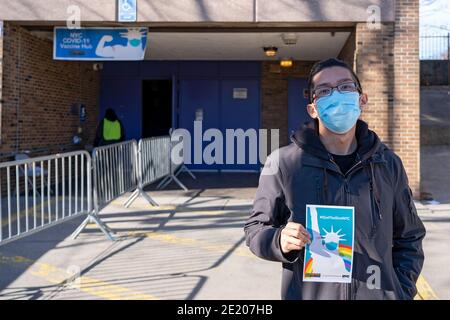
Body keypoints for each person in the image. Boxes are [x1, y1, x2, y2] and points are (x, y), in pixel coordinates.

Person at [244, 58, 426, 300]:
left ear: (362, 100)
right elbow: (255, 230)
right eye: (324, 91)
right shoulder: (282, 163)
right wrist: (279, 240)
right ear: (313, 108)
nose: (336, 95)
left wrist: (401, 292)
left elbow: (409, 237)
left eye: (345, 87)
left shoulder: (388, 164)